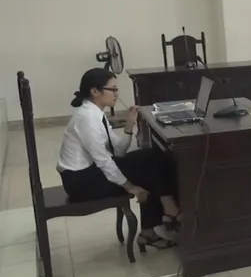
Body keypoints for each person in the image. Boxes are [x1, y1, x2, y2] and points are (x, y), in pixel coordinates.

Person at [57, 68, 180, 249]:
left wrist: (130, 124)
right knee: (150, 164)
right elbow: (104, 161)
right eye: (113, 89)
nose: (117, 94)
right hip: (81, 182)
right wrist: (130, 187)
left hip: (90, 173)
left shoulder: (96, 113)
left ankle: (155, 225)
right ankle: (168, 212)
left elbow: (118, 152)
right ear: (95, 91)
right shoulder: (87, 118)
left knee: (151, 157)